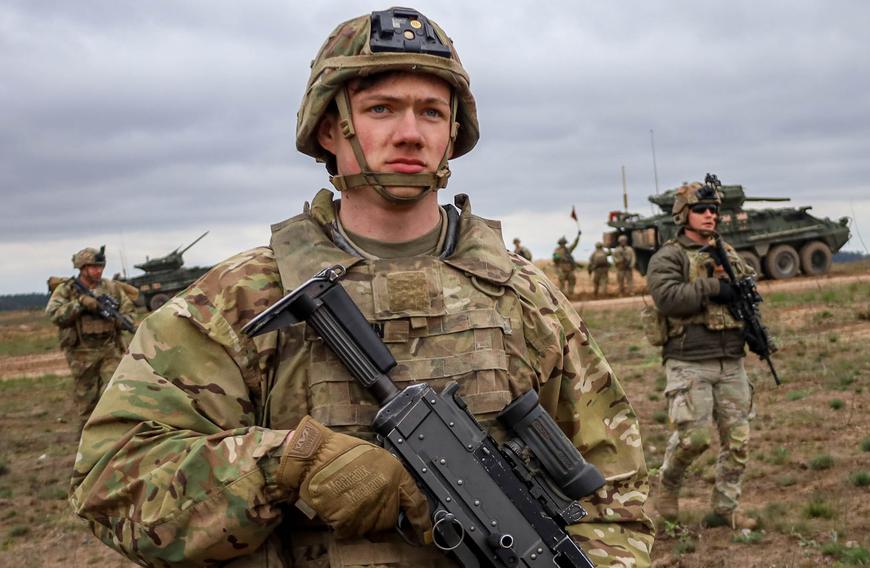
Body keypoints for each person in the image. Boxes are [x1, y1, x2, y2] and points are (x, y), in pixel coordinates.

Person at [70, 8, 654, 567]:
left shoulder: (524, 297)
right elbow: (111, 481)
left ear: (453, 134)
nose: (409, 134)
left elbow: (615, 493)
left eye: (430, 112)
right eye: (381, 109)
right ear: (330, 128)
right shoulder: (241, 298)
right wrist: (284, 465)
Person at [646, 181, 758, 530]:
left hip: (730, 361)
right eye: (701, 209)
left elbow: (746, 293)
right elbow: (668, 298)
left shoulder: (727, 253)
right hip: (689, 360)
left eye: (713, 210)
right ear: (684, 215)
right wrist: (712, 287)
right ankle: (667, 487)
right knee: (694, 439)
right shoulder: (670, 256)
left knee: (738, 442)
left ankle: (726, 510)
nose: (710, 215)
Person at [45, 246, 135, 430]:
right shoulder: (67, 289)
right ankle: (87, 444)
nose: (99, 271)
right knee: (87, 402)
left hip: (110, 349)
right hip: (81, 354)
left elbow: (128, 311)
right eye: (94, 267)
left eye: (101, 267)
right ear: (83, 268)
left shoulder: (111, 287)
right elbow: (55, 315)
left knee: (115, 392)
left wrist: (119, 320)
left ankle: (114, 437)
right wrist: (80, 304)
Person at [552, 231, 580, 296]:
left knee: (562, 285)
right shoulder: (567, 250)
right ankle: (570, 295)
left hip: (562, 270)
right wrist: (578, 237)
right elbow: (574, 245)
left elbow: (555, 261)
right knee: (571, 283)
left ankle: (564, 297)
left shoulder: (556, 251)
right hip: (568, 270)